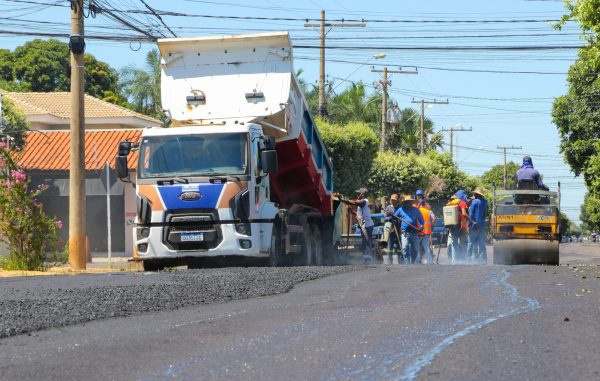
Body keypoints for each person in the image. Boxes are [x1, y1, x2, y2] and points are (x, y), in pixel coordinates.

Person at [340, 187, 374, 264]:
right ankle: (367, 259)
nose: (357, 194)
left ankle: (368, 260)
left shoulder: (364, 201)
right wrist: (352, 211)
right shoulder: (362, 203)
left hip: (367, 225)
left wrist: (344, 201)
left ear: (362, 194)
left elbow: (355, 202)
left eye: (359, 193)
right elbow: (359, 215)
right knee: (365, 242)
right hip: (365, 225)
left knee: (366, 242)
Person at [394, 195, 424, 264]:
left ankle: (412, 262)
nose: (408, 204)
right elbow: (394, 217)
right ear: (404, 203)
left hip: (414, 232)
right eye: (406, 202)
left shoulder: (416, 210)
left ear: (411, 203)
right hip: (404, 232)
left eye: (409, 202)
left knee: (415, 249)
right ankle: (407, 263)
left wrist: (422, 226)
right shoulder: (401, 209)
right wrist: (393, 218)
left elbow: (421, 220)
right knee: (405, 248)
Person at [467, 187, 488, 264]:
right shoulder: (485, 202)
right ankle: (482, 260)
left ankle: (468, 259)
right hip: (481, 225)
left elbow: (471, 214)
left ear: (476, 194)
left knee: (470, 242)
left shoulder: (474, 202)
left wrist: (469, 225)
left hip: (474, 225)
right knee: (481, 243)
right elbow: (485, 214)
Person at [384, 194, 402, 265]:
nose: (393, 201)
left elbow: (402, 217)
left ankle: (400, 261)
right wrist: (389, 218)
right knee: (390, 246)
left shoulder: (400, 208)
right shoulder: (388, 208)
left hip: (398, 229)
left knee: (399, 246)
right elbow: (385, 218)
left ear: (397, 200)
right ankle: (389, 262)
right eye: (392, 200)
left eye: (394, 200)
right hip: (391, 229)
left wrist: (399, 219)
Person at [417, 200, 435, 264]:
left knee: (418, 247)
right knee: (426, 247)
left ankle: (419, 261)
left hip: (418, 232)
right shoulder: (429, 211)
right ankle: (428, 261)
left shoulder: (417, 211)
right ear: (424, 204)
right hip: (426, 232)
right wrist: (431, 224)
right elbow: (434, 218)